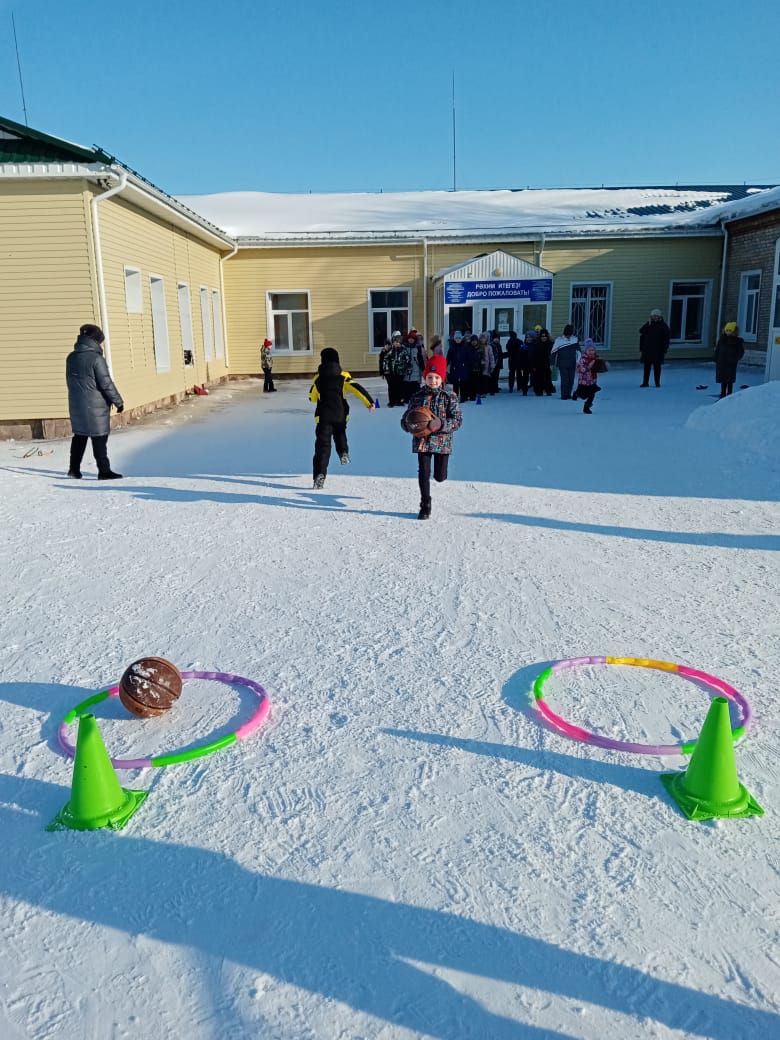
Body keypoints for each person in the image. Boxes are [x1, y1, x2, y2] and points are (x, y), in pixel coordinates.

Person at [400, 355, 463, 520]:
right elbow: (408, 415)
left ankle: (440, 476)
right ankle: (425, 504)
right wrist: (406, 424)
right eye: (429, 377)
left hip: (442, 441)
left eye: (436, 377)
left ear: (442, 379)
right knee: (423, 471)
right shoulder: (417, 396)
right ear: (424, 378)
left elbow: (457, 420)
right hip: (422, 440)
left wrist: (441, 424)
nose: (433, 381)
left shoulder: (449, 396)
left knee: (440, 476)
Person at [308, 347, 374, 488]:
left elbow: (311, 397)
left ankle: (319, 474)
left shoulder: (317, 379)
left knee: (322, 447)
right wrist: (369, 402)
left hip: (323, 418)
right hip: (340, 415)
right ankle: (343, 452)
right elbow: (357, 388)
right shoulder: (343, 377)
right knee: (340, 434)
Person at [65, 323, 124, 480]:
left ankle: (73, 469)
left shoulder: (71, 358)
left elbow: (70, 382)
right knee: (99, 437)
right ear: (95, 340)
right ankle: (104, 471)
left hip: (76, 404)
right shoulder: (96, 359)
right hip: (95, 406)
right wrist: (118, 402)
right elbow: (106, 383)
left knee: (80, 436)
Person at [639, 308, 670, 387]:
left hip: (658, 350)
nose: (654, 317)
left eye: (656, 316)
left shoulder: (663, 325)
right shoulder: (649, 324)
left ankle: (657, 383)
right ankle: (645, 383)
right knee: (647, 367)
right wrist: (648, 324)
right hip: (647, 349)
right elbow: (641, 331)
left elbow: (667, 338)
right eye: (653, 316)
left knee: (657, 367)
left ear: (659, 317)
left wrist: (665, 349)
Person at [573, 339, 604, 414]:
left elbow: (600, 368)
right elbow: (580, 369)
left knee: (591, 394)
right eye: (589, 350)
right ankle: (576, 393)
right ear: (586, 351)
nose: (591, 352)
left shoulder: (596, 358)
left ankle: (586, 407)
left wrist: (601, 364)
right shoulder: (583, 359)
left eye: (592, 350)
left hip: (592, 381)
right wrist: (588, 367)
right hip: (583, 381)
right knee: (583, 395)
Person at [714, 322, 745, 398]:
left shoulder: (737, 341)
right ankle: (723, 393)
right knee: (723, 379)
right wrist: (715, 358)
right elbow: (717, 350)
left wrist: (735, 358)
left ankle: (729, 394)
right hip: (722, 362)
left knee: (730, 379)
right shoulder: (722, 340)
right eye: (727, 330)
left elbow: (741, 352)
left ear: (734, 331)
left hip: (731, 363)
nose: (728, 332)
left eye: (730, 330)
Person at [550, 324, 580, 400]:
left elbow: (578, 351)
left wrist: (578, 361)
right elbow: (553, 352)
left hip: (572, 363)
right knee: (565, 380)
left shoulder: (575, 339)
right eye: (567, 334)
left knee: (571, 380)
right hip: (562, 363)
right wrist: (552, 363)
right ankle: (564, 395)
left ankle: (568, 394)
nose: (568, 336)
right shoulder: (559, 340)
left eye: (570, 334)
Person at [384, 332, 413, 406]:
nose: (396, 344)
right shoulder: (390, 351)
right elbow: (386, 360)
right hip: (391, 372)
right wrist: (386, 370)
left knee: (399, 387)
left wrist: (409, 369)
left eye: (398, 342)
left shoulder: (403, 350)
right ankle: (392, 401)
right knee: (391, 387)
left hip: (400, 372)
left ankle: (399, 400)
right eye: (395, 342)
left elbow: (408, 360)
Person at [530, 328, 555, 396]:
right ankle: (539, 391)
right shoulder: (537, 344)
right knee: (539, 378)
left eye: (545, 336)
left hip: (547, 363)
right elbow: (534, 356)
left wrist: (552, 364)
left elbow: (552, 355)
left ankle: (548, 390)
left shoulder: (550, 344)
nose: (543, 338)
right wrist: (534, 365)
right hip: (538, 364)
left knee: (547, 377)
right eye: (542, 336)